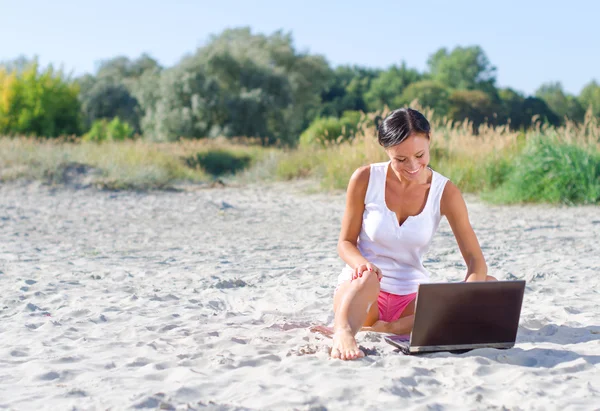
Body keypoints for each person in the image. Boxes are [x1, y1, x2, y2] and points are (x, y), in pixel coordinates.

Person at [330, 108, 497, 361]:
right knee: (368, 280)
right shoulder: (365, 178)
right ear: (386, 150)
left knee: (488, 284)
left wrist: (467, 295)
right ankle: (343, 331)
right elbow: (345, 243)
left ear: (429, 139)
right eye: (400, 159)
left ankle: (389, 328)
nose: (412, 166)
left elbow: (475, 259)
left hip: (410, 301)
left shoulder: (445, 192)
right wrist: (363, 265)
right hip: (362, 291)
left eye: (420, 155)